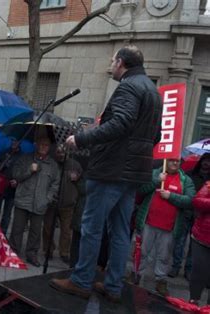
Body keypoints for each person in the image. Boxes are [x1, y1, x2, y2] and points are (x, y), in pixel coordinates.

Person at [50, 45, 162, 302]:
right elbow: (154, 135)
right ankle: (112, 286)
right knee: (121, 230)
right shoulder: (154, 92)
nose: (110, 65)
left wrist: (82, 138)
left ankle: (81, 281)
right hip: (133, 173)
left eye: (113, 61)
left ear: (121, 62)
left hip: (112, 170)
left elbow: (121, 123)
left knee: (92, 226)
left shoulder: (129, 87)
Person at [132, 159, 195, 296]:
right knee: (142, 251)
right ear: (166, 161)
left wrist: (170, 196)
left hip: (169, 227)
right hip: (148, 222)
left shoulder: (186, 180)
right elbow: (141, 189)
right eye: (172, 160)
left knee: (164, 257)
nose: (175, 163)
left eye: (178, 161)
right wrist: (156, 181)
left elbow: (190, 201)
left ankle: (160, 281)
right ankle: (136, 274)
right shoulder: (155, 173)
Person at [9, 136, 60, 267]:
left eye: (46, 145)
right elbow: (16, 175)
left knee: (35, 232)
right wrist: (29, 170)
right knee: (17, 229)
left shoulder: (53, 165)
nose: (43, 147)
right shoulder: (25, 158)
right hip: (23, 200)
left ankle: (31, 254)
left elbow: (55, 184)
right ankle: (13, 252)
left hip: (40, 203)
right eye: (41, 144)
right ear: (36, 145)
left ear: (49, 148)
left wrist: (47, 199)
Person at [169, 153, 210, 279]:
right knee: (179, 241)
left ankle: (189, 270)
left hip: (201, 216)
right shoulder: (189, 174)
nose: (206, 163)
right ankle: (175, 266)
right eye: (205, 160)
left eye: (209, 161)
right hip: (186, 212)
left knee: (194, 245)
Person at [43, 144, 82, 264]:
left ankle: (64, 252)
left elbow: (81, 183)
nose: (61, 155)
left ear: (68, 153)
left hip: (68, 204)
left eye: (63, 152)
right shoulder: (51, 164)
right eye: (59, 152)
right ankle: (48, 250)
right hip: (52, 203)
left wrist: (77, 178)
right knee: (48, 228)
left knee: (66, 231)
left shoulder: (75, 165)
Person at [189, 180, 210, 305]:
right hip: (202, 237)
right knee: (199, 271)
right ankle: (193, 300)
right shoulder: (209, 185)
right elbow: (197, 201)